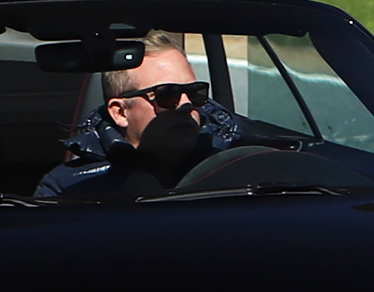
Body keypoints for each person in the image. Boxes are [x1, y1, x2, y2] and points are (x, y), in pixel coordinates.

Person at [36, 32, 241, 197]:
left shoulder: (242, 161)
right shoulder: (68, 189)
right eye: (167, 94)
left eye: (195, 92)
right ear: (120, 112)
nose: (187, 104)